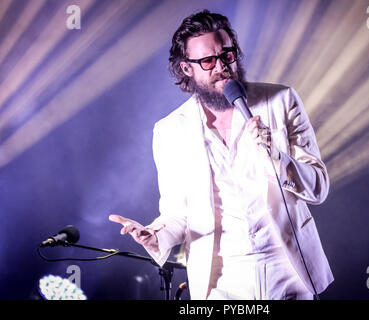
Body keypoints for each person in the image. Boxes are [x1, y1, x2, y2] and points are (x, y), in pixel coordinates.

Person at [109, 10, 333, 300]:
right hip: (222, 281)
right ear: (186, 69)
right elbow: (177, 214)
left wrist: (277, 157)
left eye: (227, 54)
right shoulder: (169, 131)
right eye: (207, 61)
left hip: (288, 272)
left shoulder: (282, 100)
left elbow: (318, 188)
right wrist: (154, 236)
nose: (222, 66)